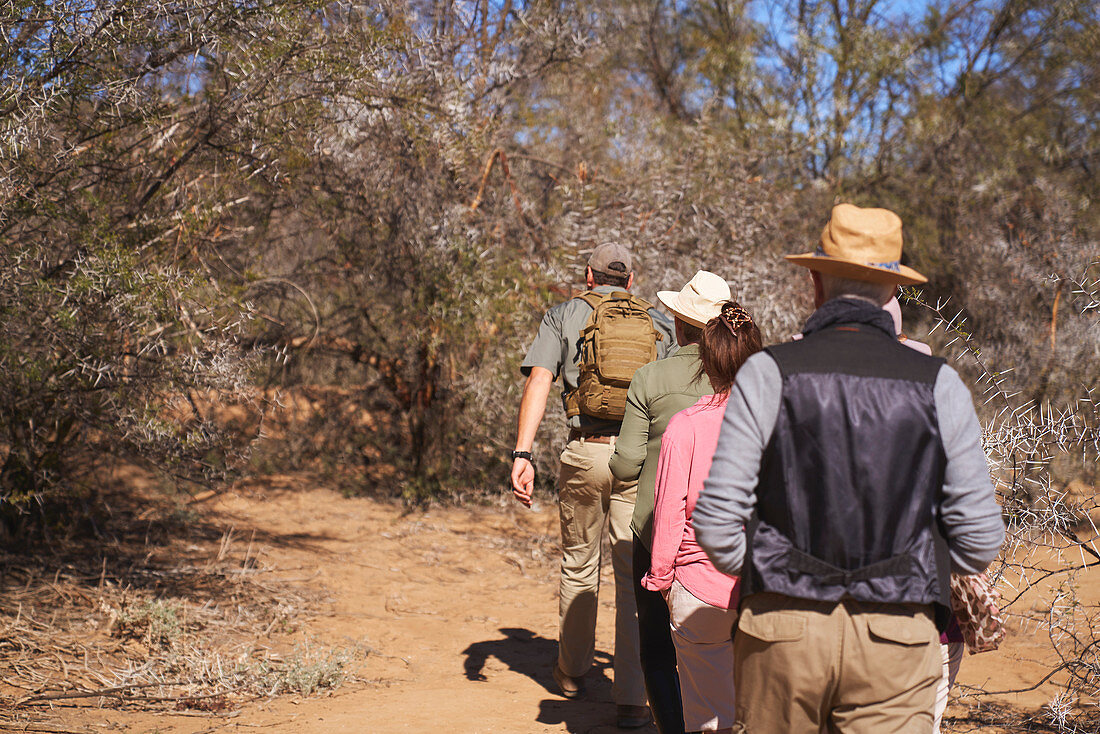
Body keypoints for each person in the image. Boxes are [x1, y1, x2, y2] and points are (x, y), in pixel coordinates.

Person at [694, 203, 1005, 732]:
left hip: (781, 630)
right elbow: (978, 540)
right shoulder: (938, 383)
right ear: (893, 291)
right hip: (898, 636)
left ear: (814, 282)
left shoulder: (768, 373)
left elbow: (717, 524)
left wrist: (776, 570)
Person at [511, 242, 674, 729]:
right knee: (632, 577)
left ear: (588, 275)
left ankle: (571, 675)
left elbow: (540, 379)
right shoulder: (660, 322)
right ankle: (630, 698)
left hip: (585, 451)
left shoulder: (563, 315)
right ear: (631, 278)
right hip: (640, 457)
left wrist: (523, 452)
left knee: (579, 564)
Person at [609, 270, 731, 734]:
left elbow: (625, 465)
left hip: (655, 527)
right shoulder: (740, 379)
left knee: (658, 648)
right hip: (727, 538)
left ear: (680, 323)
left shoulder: (651, 377)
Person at [641, 301, 762, 734]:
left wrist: (661, 580)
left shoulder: (685, 426)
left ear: (706, 363)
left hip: (699, 589)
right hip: (763, 592)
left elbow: (669, 510)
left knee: (708, 719)